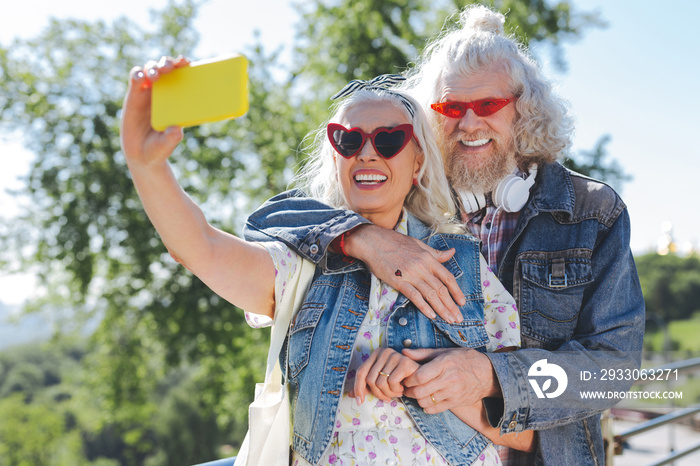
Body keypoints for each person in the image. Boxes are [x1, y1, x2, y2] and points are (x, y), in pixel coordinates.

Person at [243, 5, 645, 465]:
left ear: (525, 110)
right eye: (452, 108)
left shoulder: (593, 210)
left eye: (488, 106)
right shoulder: (402, 190)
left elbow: (612, 369)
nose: (469, 124)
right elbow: (270, 219)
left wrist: (490, 375)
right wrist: (361, 238)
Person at [120, 57, 533, 465]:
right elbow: (200, 248)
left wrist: (437, 382)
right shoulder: (298, 267)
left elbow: (527, 433)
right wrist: (146, 165)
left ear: (418, 163)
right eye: (349, 141)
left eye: (389, 140)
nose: (367, 154)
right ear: (336, 158)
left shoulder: (464, 265)